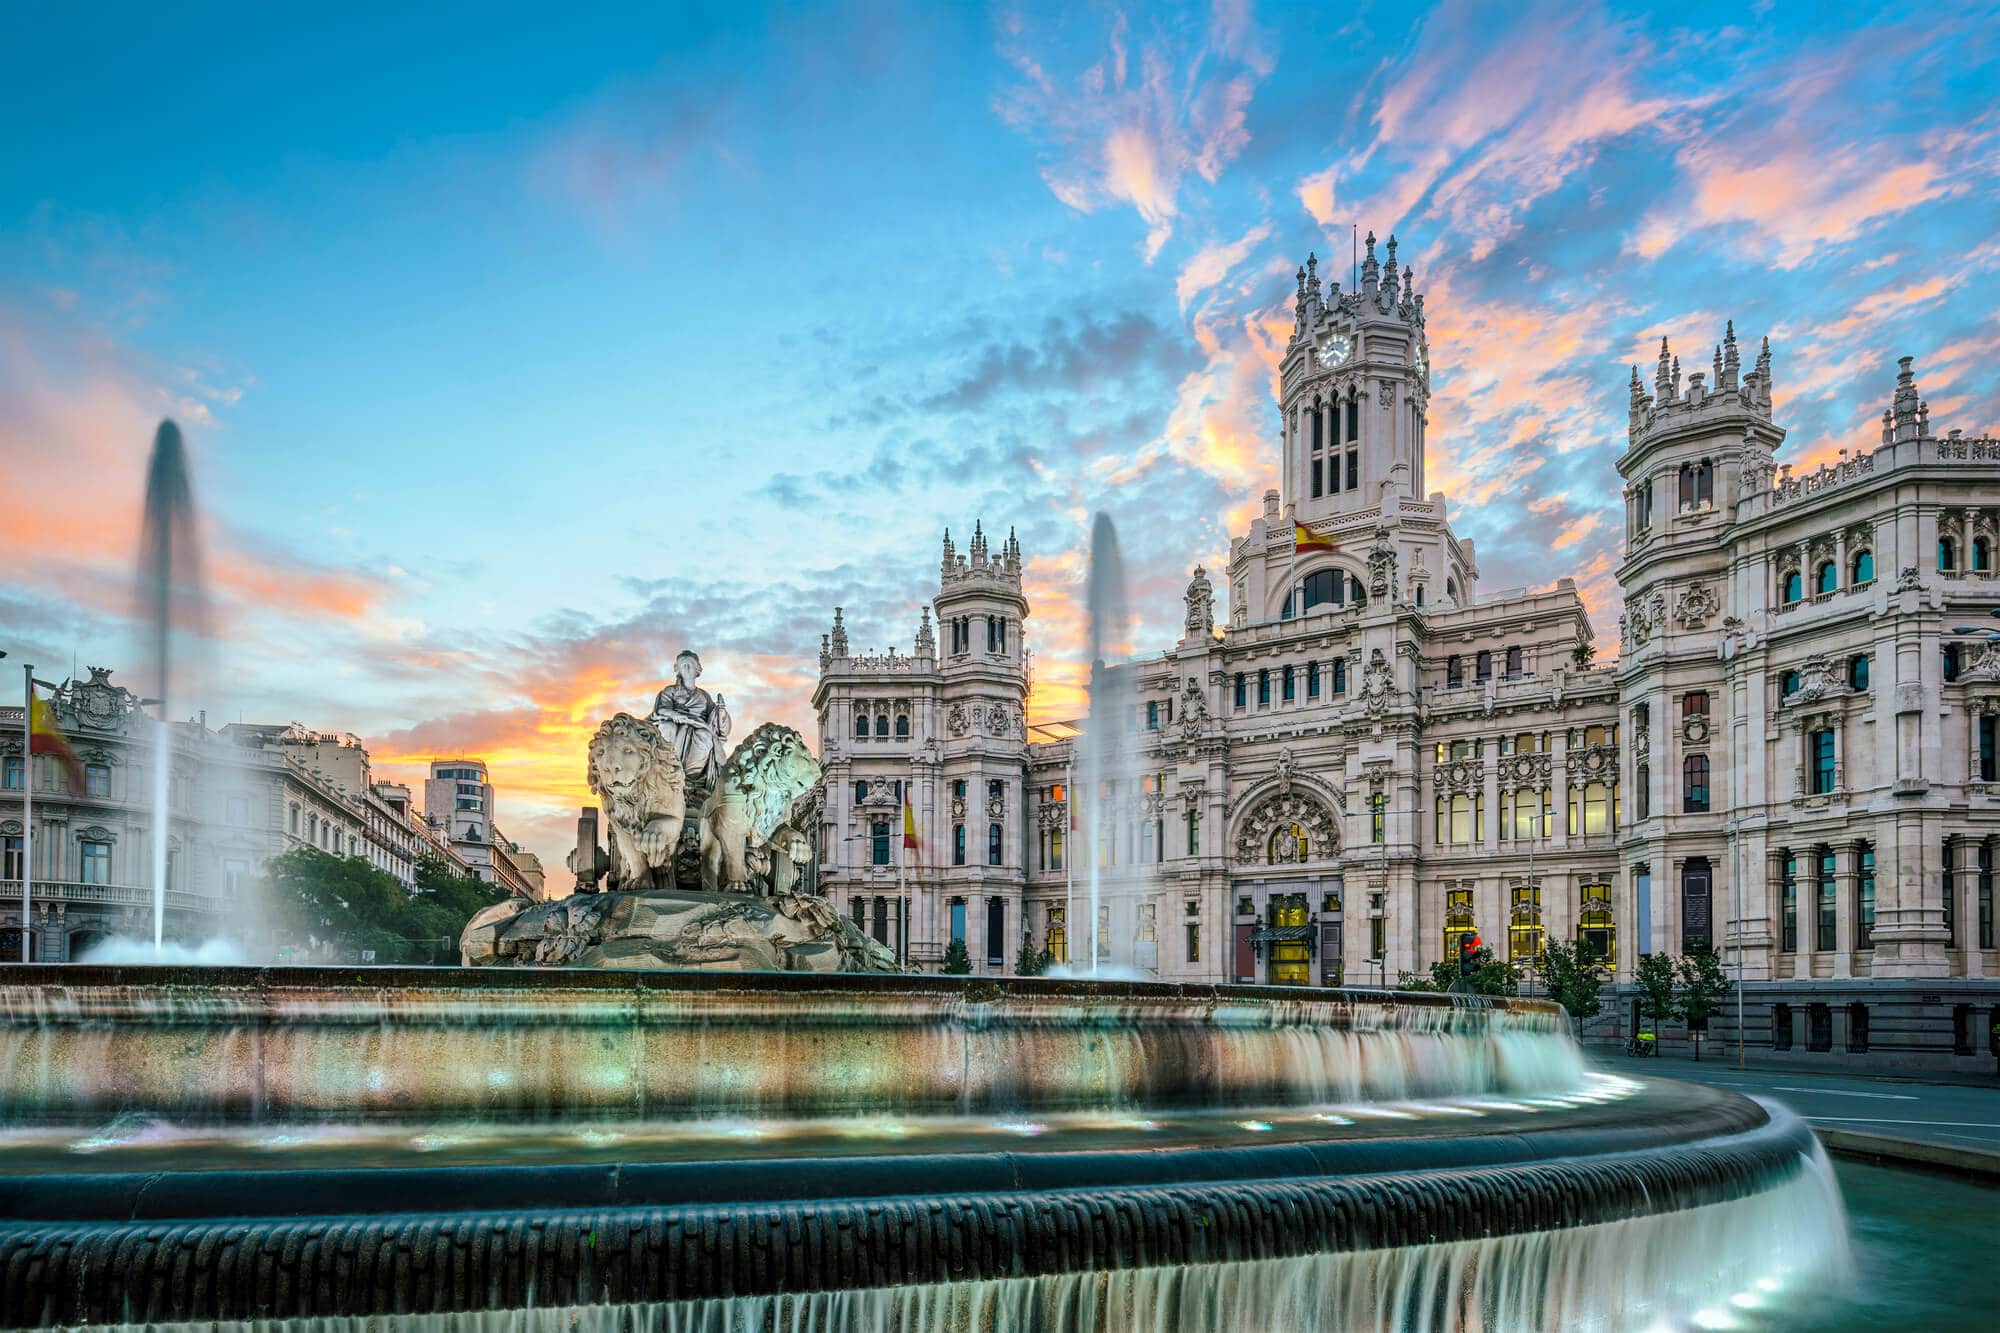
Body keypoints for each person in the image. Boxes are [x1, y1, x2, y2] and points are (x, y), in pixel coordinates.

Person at [650, 650, 731, 791]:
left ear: (697, 669)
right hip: (674, 722)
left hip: (698, 726)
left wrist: (721, 711)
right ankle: (668, 769)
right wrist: (674, 715)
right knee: (667, 728)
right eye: (683, 665)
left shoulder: (704, 696)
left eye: (690, 665)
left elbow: (715, 720)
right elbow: (661, 709)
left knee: (705, 736)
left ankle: (691, 778)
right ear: (678, 669)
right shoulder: (670, 691)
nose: (687, 668)